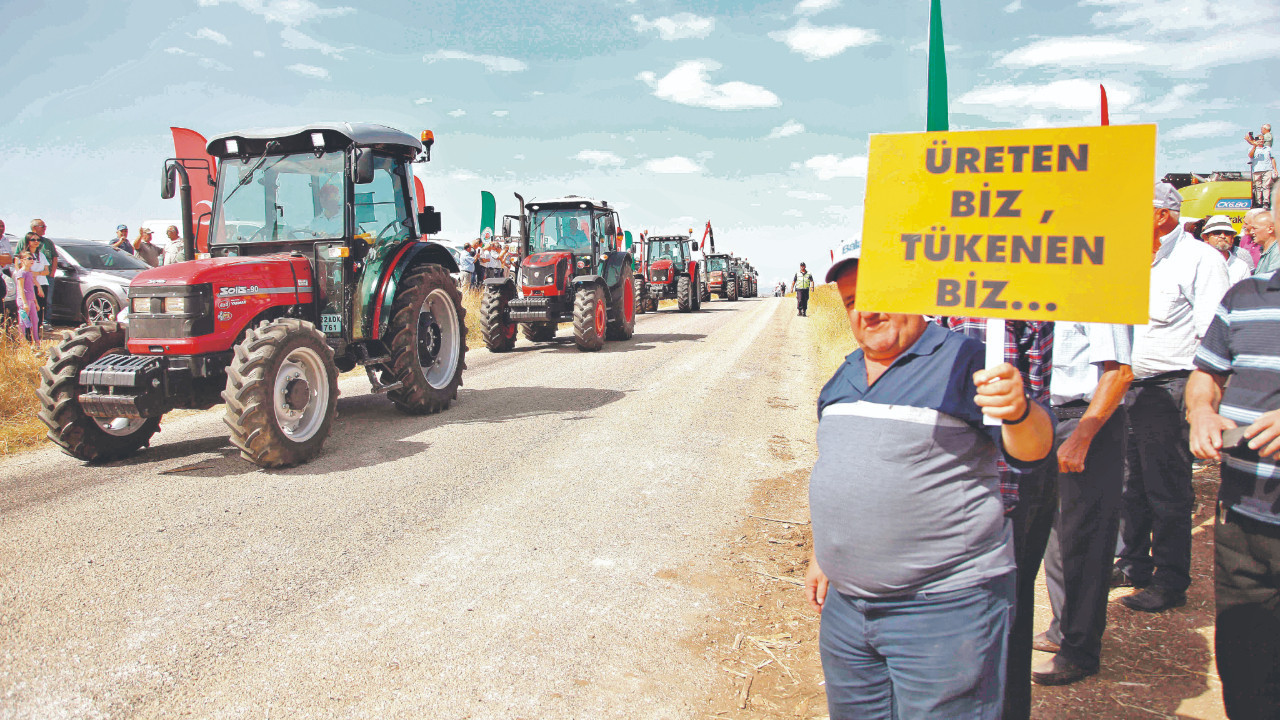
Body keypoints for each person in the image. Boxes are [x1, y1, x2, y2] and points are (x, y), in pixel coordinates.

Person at [806, 244, 1054, 720]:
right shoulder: (844, 375)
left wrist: (1020, 411)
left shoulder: (966, 359)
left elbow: (1034, 450)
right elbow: (841, 470)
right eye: (853, 302)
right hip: (848, 615)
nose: (867, 312)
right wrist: (824, 552)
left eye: (879, 295)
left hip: (942, 611)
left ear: (914, 293)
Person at [1117, 182, 1231, 613]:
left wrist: (1204, 403)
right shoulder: (1130, 256)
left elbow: (1213, 335)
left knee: (1166, 487)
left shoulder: (1200, 259)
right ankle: (1132, 563)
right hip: (1127, 386)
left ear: (1161, 214)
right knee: (1130, 483)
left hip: (1171, 387)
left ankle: (1169, 579)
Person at [934, 316, 1052, 720]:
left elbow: (1031, 402)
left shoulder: (996, 312)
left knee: (997, 631)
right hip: (947, 500)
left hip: (991, 498)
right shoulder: (914, 310)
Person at [1186, 267, 1280, 719]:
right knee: (1246, 672)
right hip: (1242, 516)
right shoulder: (1245, 296)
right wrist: (1201, 410)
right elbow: (1206, 374)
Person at [1033, 321, 1134, 686]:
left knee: (1085, 539)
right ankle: (1063, 630)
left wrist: (1082, 436)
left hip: (1086, 420)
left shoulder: (1097, 297)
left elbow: (1119, 373)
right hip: (1045, 419)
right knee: (1055, 538)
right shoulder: (1039, 301)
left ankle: (1080, 650)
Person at [1199, 215, 1252, 284]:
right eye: (1217, 233)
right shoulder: (1198, 264)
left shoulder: (1241, 266)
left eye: (1227, 233)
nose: (1223, 236)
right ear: (1206, 238)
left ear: (1232, 238)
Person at [30, 219, 55, 333]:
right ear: (34, 228)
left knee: (45, 302)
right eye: (42, 226)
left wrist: (51, 274)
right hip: (30, 280)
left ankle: (44, 323)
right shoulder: (25, 245)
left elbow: (53, 259)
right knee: (31, 302)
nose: (45, 228)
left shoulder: (47, 244)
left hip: (45, 279)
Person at [14, 250, 43, 346]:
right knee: (23, 322)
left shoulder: (29, 273)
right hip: (24, 301)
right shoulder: (21, 273)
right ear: (22, 260)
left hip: (31, 300)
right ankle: (22, 343)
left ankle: (36, 341)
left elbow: (31, 289)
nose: (32, 260)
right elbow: (21, 288)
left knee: (35, 320)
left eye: (33, 258)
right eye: (29, 258)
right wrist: (24, 303)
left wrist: (36, 302)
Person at [1250, 139, 1277, 208]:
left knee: (1266, 186)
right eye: (1259, 139)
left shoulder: (1268, 148)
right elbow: (1250, 156)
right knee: (1257, 186)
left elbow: (1272, 158)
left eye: (1262, 139)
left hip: (1267, 169)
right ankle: (1258, 202)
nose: (1261, 141)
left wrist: (1275, 169)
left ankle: (1266, 202)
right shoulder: (1252, 148)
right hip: (1257, 170)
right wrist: (1254, 146)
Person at [1253, 210, 1278, 277]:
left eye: (1255, 228)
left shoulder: (1277, 252)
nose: (1252, 232)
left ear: (1270, 229)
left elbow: (1272, 280)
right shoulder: (1265, 250)